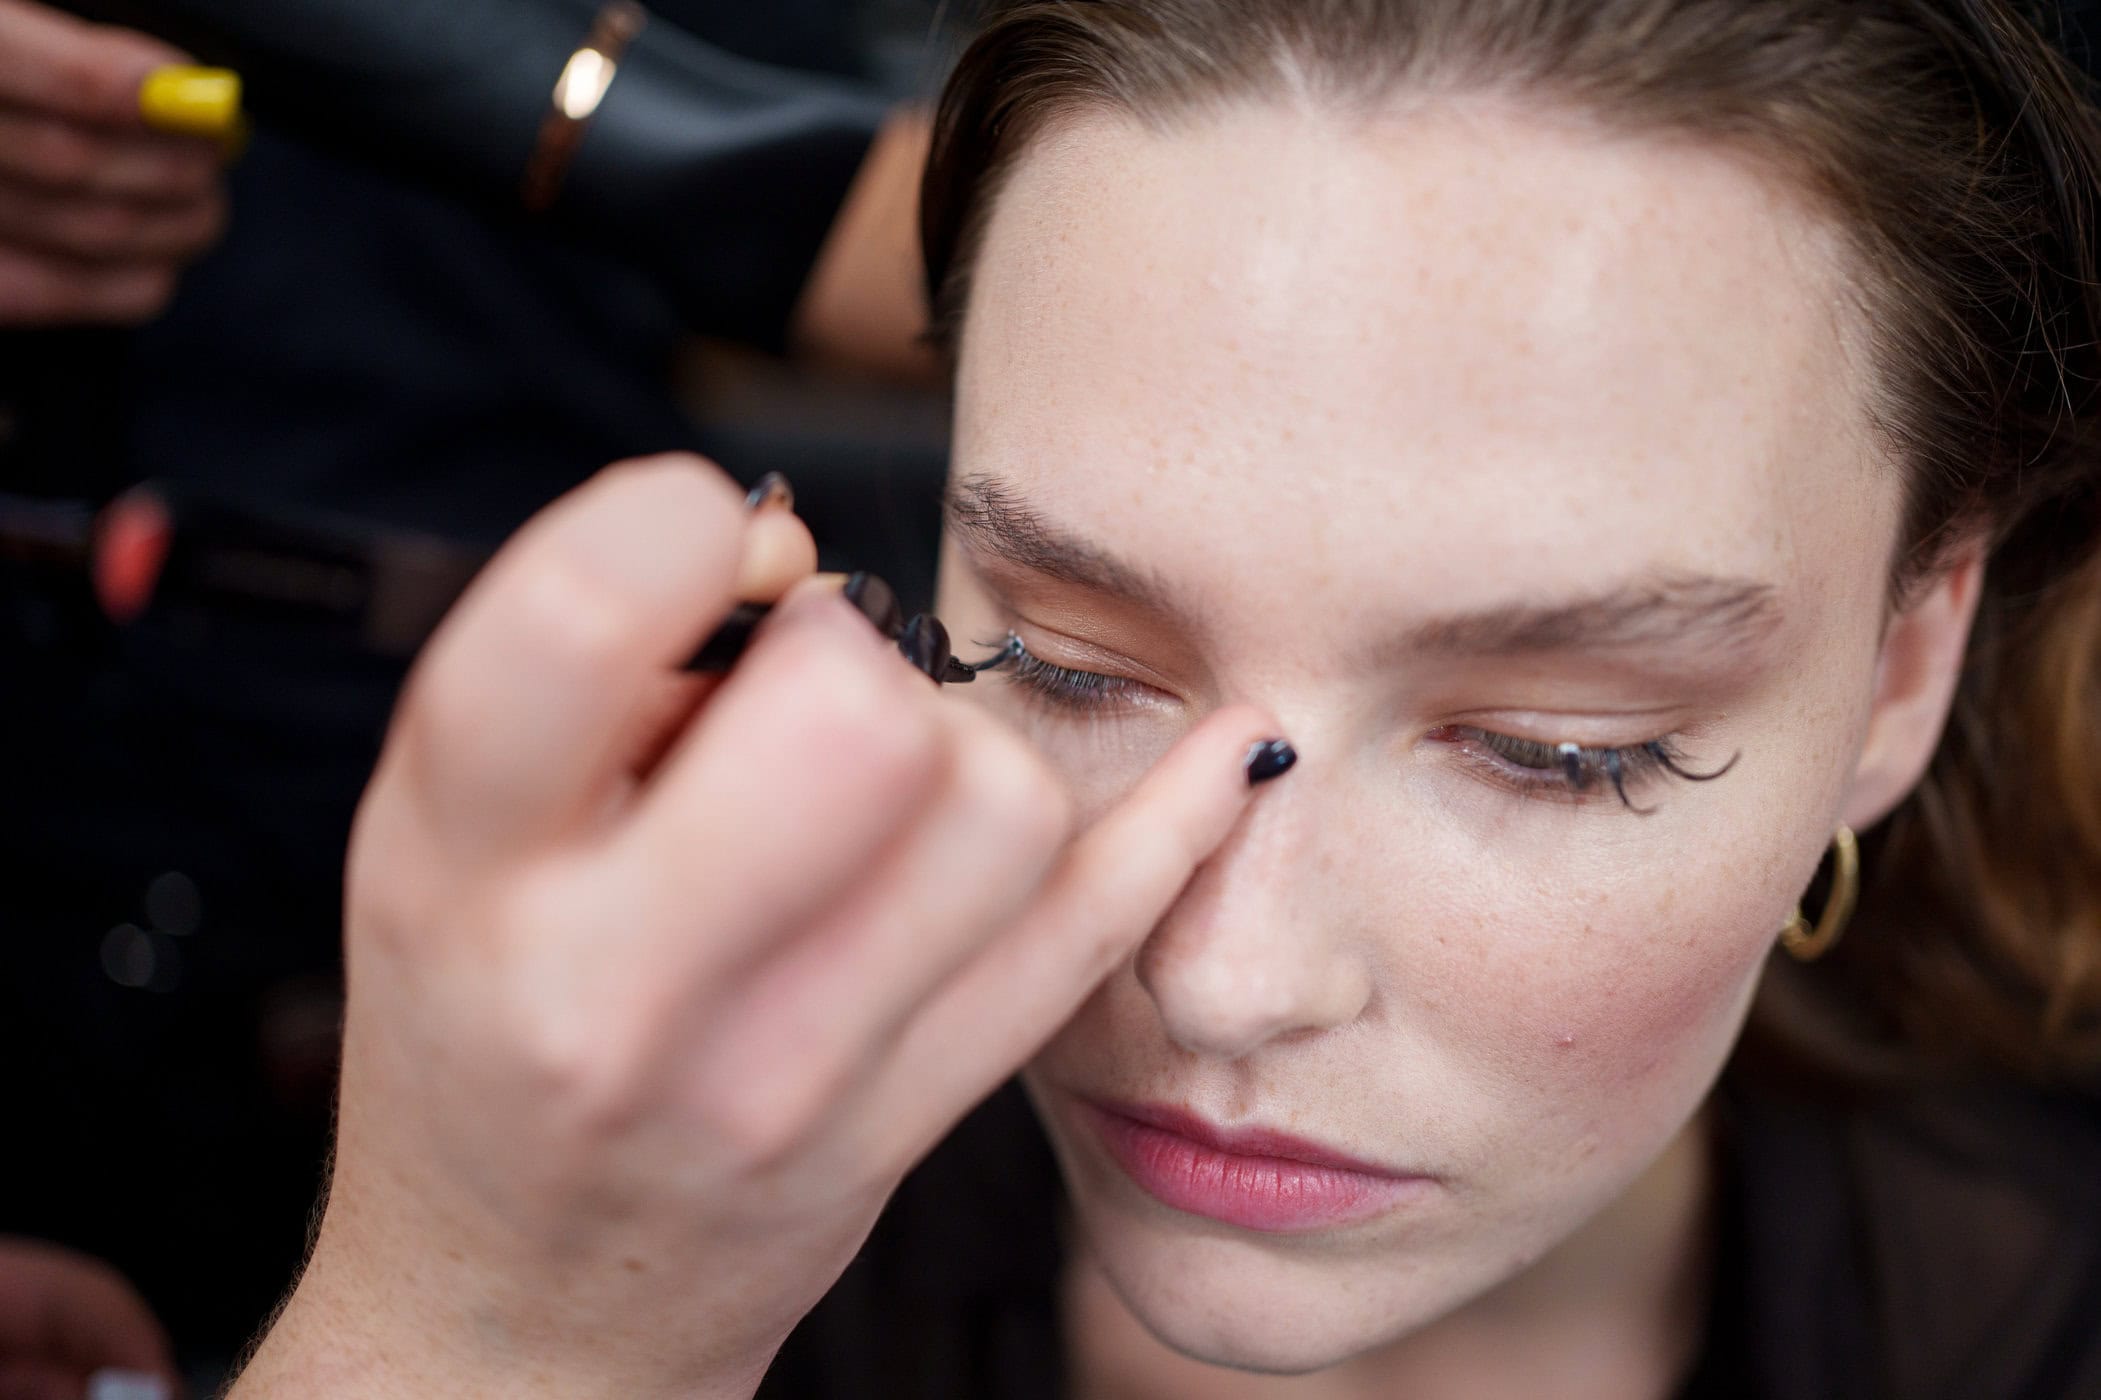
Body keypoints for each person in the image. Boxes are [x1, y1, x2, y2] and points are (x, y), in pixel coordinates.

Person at [224, 0, 2101, 1395]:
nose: (1218, 978)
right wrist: (478, 1340)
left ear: (1902, 668)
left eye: (1552, 752)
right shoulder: (616, 1201)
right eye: (1066, 660)